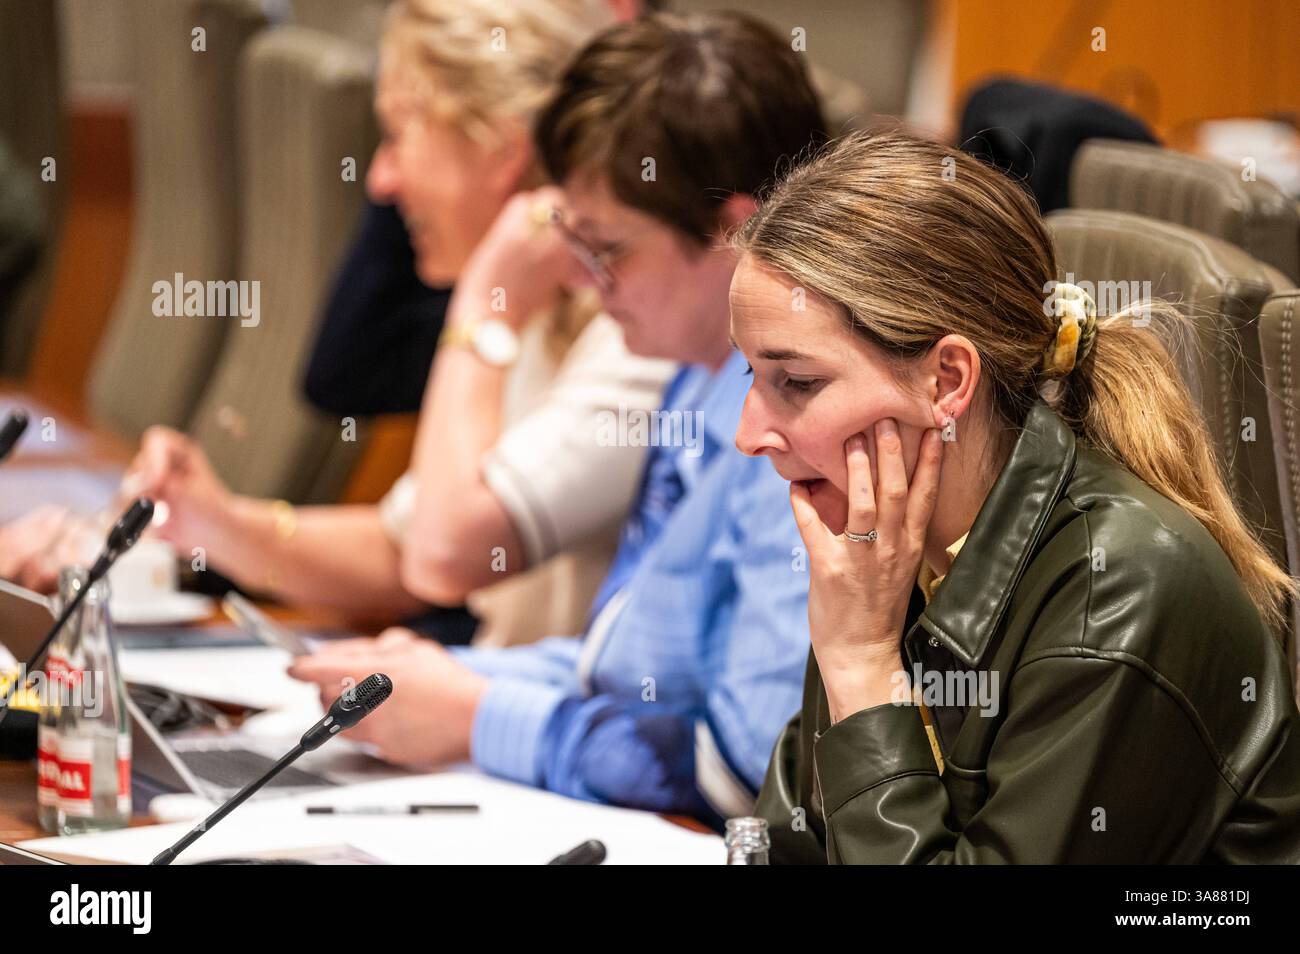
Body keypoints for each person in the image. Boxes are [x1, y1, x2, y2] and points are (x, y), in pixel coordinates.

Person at [288, 10, 828, 823]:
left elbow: (746, 766)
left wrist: (477, 716)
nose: (587, 282)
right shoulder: (694, 377)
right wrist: (457, 678)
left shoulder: (800, 434)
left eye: (608, 250)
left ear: (734, 234)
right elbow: (618, 670)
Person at [3, 0, 675, 650]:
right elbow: (398, 547)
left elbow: (441, 556)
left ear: (502, 148)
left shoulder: (634, 334)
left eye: (397, 133)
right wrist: (214, 522)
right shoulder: (537, 305)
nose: (379, 180)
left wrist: (483, 306)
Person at [729, 130, 1300, 863]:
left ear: (947, 381)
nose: (750, 435)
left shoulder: (1120, 591)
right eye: (751, 376)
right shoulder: (891, 551)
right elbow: (793, 841)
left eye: (796, 382)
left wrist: (863, 667)